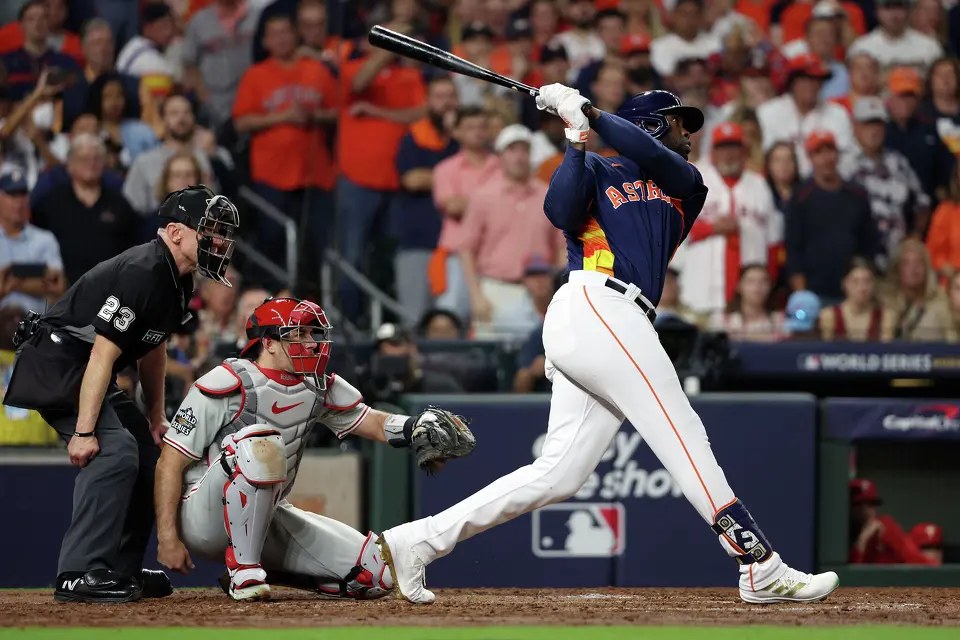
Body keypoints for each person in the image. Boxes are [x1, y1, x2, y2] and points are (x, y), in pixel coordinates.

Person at [376, 87, 840, 605]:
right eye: (678, 123)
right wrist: (576, 137)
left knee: (559, 474)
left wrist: (592, 114)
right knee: (682, 429)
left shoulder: (685, 183)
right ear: (653, 125)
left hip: (614, 320)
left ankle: (416, 542)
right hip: (595, 303)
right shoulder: (597, 167)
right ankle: (757, 562)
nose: (689, 134)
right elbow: (559, 210)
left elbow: (651, 155)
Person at [2, 185, 239, 603]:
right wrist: (84, 431)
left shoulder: (177, 278)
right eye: (209, 230)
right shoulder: (144, 270)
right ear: (176, 232)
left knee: (151, 455)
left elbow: (153, 347)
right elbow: (100, 355)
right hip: (59, 365)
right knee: (115, 452)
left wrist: (155, 416)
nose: (218, 242)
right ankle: (77, 572)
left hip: (87, 368)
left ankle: (119, 569)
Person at [154, 296, 475, 600]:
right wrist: (167, 536)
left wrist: (416, 427)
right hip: (204, 516)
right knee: (260, 439)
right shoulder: (227, 381)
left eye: (312, 333)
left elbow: (373, 422)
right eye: (298, 334)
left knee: (377, 573)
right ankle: (245, 572)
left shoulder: (317, 385)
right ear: (268, 343)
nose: (311, 342)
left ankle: (261, 571)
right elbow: (169, 462)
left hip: (266, 516)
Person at [678, 122, 781, 315]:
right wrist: (711, 228)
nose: (728, 154)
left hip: (751, 302)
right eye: (722, 147)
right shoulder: (693, 178)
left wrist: (769, 285)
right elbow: (673, 228)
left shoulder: (759, 185)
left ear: (744, 151)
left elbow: (773, 241)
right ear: (713, 151)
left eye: (734, 147)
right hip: (700, 293)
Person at [30, 133, 139, 284]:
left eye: (96, 158)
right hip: (64, 288)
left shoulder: (119, 203)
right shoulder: (49, 203)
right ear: (69, 165)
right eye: (84, 159)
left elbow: (133, 249)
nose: (91, 163)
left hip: (110, 288)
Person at [784, 130, 877, 305]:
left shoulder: (857, 194)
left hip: (854, 291)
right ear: (810, 158)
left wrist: (864, 284)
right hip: (814, 292)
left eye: (830, 151)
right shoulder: (800, 197)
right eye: (819, 153)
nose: (826, 158)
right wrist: (802, 294)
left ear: (838, 154)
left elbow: (869, 244)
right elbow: (793, 249)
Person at [839, 96, 930, 266]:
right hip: (857, 261)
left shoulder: (898, 162)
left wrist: (914, 236)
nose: (873, 131)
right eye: (867, 124)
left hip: (896, 261)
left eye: (878, 124)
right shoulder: (841, 165)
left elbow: (922, 203)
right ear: (855, 127)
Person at [0, 169, 66, 314]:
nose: (18, 203)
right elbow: (48, 284)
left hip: (35, 323)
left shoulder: (44, 239)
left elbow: (58, 286)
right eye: (12, 195)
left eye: (23, 195)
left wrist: (9, 282)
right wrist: (33, 282)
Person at [881, 237, 956, 342]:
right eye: (907, 264)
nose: (913, 268)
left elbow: (952, 341)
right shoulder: (888, 303)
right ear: (898, 269)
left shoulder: (941, 301)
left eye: (919, 262)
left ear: (927, 269)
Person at [849, 479, 939, 565]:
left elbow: (918, 561)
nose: (865, 511)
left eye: (871, 504)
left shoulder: (886, 527)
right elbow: (851, 573)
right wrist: (862, 542)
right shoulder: (844, 533)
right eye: (859, 505)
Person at [818, 258, 895, 341]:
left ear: (874, 284)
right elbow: (826, 348)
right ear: (845, 284)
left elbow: (886, 347)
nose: (862, 288)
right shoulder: (830, 316)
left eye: (867, 282)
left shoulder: (885, 316)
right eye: (855, 282)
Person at [708, 264, 784, 341]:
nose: (757, 287)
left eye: (763, 282)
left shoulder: (780, 321)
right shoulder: (721, 321)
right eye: (750, 282)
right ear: (739, 286)